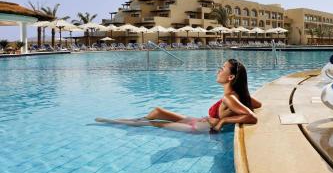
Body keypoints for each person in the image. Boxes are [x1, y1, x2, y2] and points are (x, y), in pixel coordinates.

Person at [95, 59, 261, 133]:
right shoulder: (237, 95)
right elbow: (256, 104)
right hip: (200, 121)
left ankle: (116, 122)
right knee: (158, 112)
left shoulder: (230, 98)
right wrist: (235, 110)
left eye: (222, 69)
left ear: (230, 77)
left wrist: (224, 120)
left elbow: (252, 117)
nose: (218, 71)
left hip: (200, 128)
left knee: (154, 123)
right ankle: (132, 121)